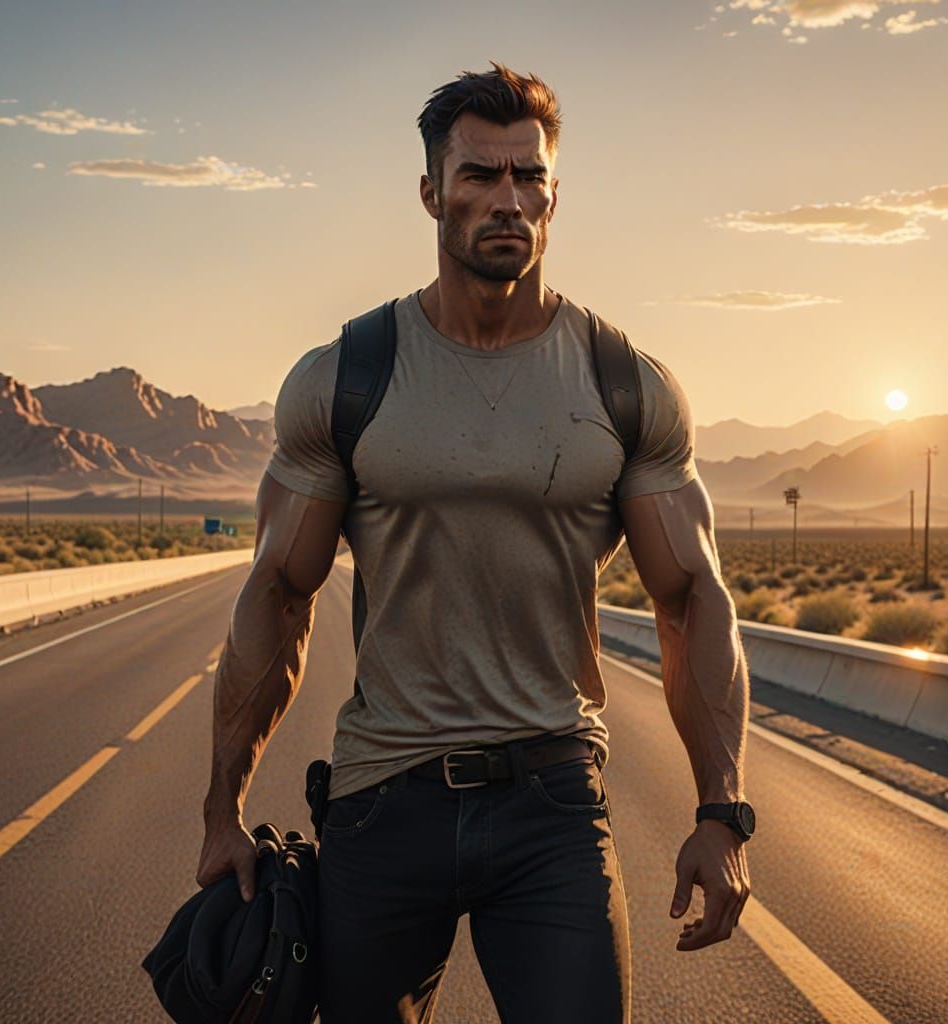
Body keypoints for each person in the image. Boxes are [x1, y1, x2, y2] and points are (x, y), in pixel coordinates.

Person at [196, 61, 752, 1023]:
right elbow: (281, 599)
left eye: (528, 177)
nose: (509, 200)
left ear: (553, 194)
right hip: (381, 802)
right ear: (429, 193)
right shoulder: (349, 376)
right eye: (480, 176)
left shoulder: (623, 382)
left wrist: (721, 811)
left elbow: (692, 598)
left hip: (553, 805)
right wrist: (220, 811)